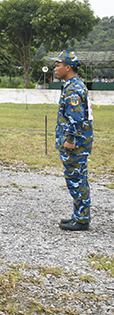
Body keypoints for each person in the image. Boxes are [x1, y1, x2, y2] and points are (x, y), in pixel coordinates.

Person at [49, 50, 94, 231]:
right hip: (75, 142)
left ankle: (82, 219)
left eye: (58, 65)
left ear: (68, 67)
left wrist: (70, 140)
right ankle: (79, 215)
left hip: (75, 144)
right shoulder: (72, 85)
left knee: (77, 180)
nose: (55, 69)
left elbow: (76, 118)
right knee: (75, 179)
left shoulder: (74, 88)